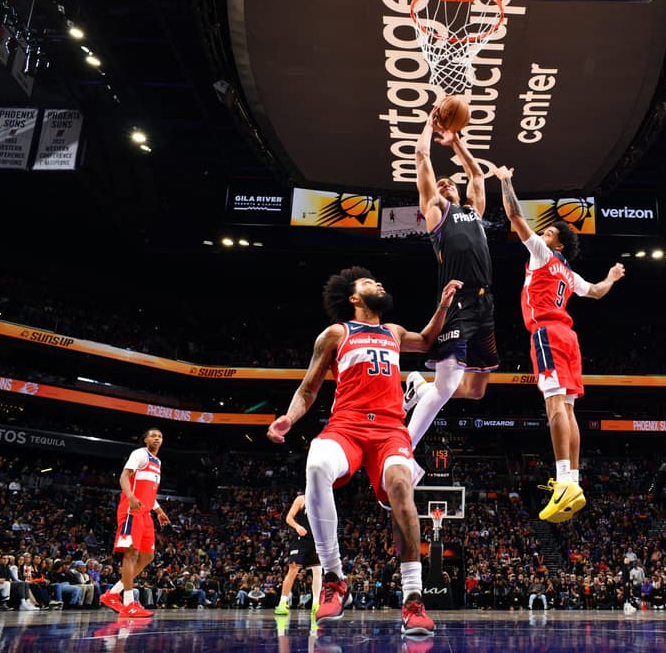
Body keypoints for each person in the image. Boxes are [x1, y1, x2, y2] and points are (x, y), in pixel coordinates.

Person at [267, 266, 463, 637]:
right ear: (354, 297)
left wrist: (442, 307)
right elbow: (308, 389)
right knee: (316, 465)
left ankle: (413, 600)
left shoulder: (393, 332)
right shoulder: (336, 334)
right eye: (369, 282)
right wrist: (288, 419)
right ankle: (334, 577)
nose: (379, 283)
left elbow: (426, 341)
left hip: (389, 430)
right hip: (347, 425)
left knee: (401, 486)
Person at [495, 165, 625, 522]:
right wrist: (612, 277)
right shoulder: (569, 272)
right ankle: (573, 481)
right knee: (568, 409)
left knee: (554, 406)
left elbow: (514, 216)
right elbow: (596, 292)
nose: (543, 233)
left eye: (549, 232)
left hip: (547, 334)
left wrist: (506, 181)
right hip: (569, 337)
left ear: (558, 244)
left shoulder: (542, 254)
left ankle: (564, 479)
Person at [403, 105, 499, 451]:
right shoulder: (436, 211)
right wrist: (429, 127)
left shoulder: (474, 212)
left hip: (485, 304)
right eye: (441, 183)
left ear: (459, 193)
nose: (445, 184)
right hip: (457, 301)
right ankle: (403, 451)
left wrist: (456, 141)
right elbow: (421, 157)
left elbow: (477, 176)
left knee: (475, 390)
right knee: (446, 386)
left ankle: (419, 386)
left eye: (449, 183)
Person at [100, 428, 170, 618]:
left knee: (148, 556)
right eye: (153, 435)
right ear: (145, 439)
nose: (157, 438)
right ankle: (129, 603)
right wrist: (130, 496)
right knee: (131, 554)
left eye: (160, 436)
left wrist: (158, 510)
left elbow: (148, 492)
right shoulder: (140, 454)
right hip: (131, 510)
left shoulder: (158, 462)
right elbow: (124, 476)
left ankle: (113, 593)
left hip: (145, 512)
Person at [273, 492, 322, 623]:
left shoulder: (324, 499)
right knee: (293, 569)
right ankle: (283, 603)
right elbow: (289, 518)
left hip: (316, 540)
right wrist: (298, 526)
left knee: (318, 570)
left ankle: (316, 604)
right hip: (300, 540)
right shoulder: (301, 499)